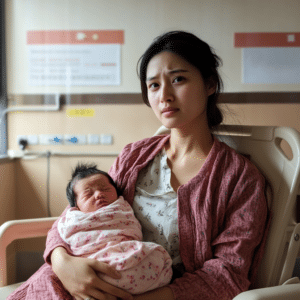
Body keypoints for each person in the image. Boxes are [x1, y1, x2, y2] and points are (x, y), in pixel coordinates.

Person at [8, 30, 270, 300]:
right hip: (89, 276)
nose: (164, 95)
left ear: (210, 84)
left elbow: (227, 274)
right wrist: (63, 263)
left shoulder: (240, 179)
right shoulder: (134, 157)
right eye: (154, 85)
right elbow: (76, 214)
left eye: (178, 79)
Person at [58, 163, 172, 294]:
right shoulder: (73, 219)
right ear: (75, 207)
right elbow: (61, 234)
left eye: (105, 189)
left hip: (128, 252)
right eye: (88, 195)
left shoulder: (122, 207)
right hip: (94, 262)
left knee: (156, 254)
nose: (99, 194)